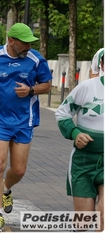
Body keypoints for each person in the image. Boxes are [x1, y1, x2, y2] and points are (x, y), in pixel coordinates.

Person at [0, 23, 53, 232]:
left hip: (25, 120)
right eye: (24, 43)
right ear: (11, 41)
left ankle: (6, 189)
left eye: (29, 43)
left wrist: (31, 89)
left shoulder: (35, 59)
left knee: (19, 170)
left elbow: (47, 84)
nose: (28, 46)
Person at [55, 53, 104, 232]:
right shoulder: (87, 88)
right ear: (102, 66)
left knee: (102, 216)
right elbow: (62, 113)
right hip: (84, 162)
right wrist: (75, 133)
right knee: (83, 223)